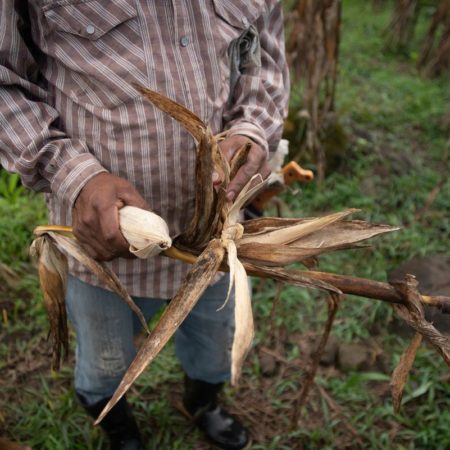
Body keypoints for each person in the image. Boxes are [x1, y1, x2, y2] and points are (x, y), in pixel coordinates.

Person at [0, 1, 289, 449]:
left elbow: (263, 57)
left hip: (214, 241)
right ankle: (115, 423)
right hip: (102, 250)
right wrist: (76, 176)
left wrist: (252, 128)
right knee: (104, 361)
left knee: (215, 346)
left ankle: (203, 402)